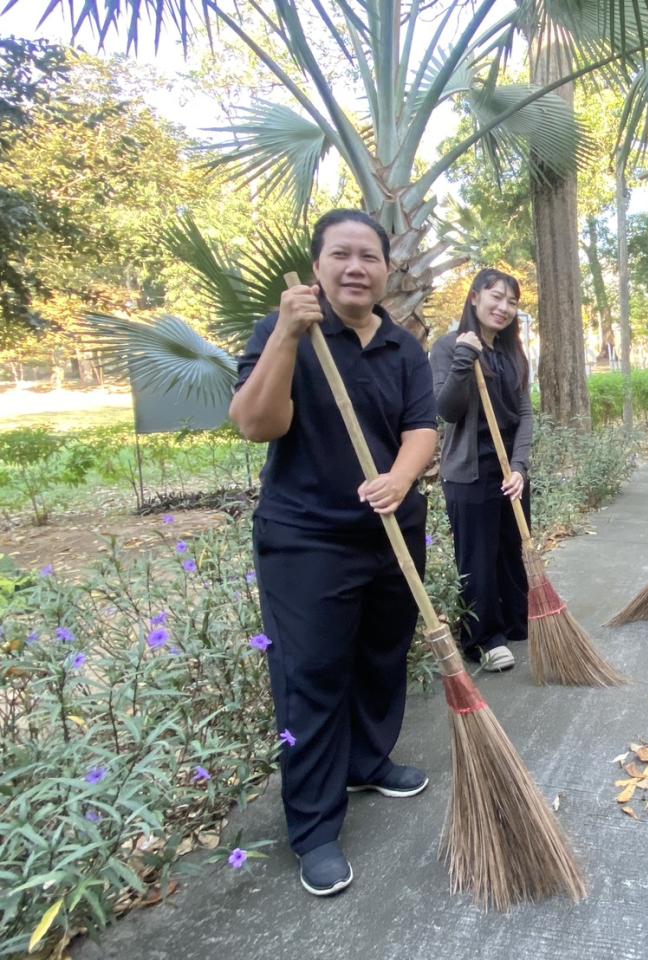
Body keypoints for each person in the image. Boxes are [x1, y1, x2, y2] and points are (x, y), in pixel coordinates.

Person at [230, 209, 438, 896]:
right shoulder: (283, 330)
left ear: (386, 268)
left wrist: (401, 478)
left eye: (370, 256)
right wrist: (289, 335)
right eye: (342, 255)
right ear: (318, 266)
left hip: (390, 531)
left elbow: (421, 429)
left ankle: (368, 760)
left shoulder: (403, 347)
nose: (357, 268)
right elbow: (259, 425)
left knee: (382, 656)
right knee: (313, 675)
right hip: (307, 539)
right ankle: (315, 828)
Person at [429, 269, 533, 673]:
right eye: (496, 297)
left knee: (512, 550)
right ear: (474, 298)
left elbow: (525, 413)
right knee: (477, 558)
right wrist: (464, 358)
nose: (504, 307)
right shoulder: (448, 347)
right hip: (469, 474)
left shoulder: (512, 353)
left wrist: (521, 466)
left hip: (511, 472)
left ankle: (512, 621)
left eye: (512, 301)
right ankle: (482, 640)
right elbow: (446, 410)